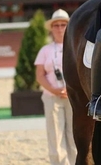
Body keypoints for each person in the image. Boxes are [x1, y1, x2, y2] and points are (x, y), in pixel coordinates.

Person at [35, 9, 76, 165]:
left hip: (74, 97)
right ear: (51, 28)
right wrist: (55, 90)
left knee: (75, 136)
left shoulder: (76, 46)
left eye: (63, 25)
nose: (59, 28)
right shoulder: (45, 50)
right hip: (52, 97)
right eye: (56, 25)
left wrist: (70, 90)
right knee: (56, 136)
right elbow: (39, 75)